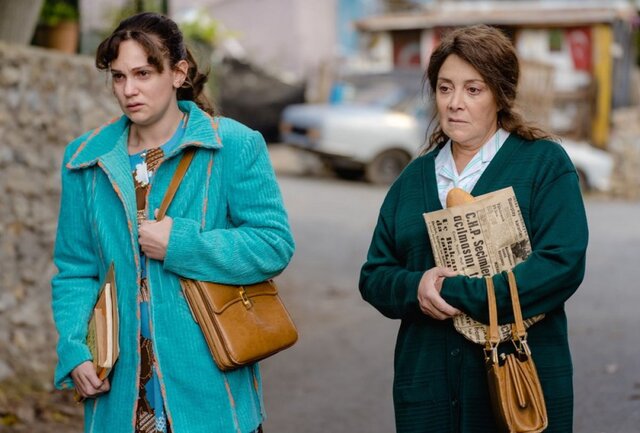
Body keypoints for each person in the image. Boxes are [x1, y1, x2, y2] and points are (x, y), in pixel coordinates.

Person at [50, 12, 294, 433]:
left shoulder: (234, 145)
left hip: (211, 397)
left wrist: (181, 245)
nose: (129, 90)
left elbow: (273, 245)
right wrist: (75, 349)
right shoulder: (85, 159)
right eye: (119, 76)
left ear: (178, 73)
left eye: (143, 74)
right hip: (120, 399)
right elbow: (75, 270)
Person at [360, 25, 587, 433]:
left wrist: (460, 293)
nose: (455, 103)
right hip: (427, 390)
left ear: (500, 94)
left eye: (473, 90)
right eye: (445, 88)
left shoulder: (543, 165)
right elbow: (375, 274)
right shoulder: (412, 180)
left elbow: (562, 264)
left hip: (518, 389)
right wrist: (417, 287)